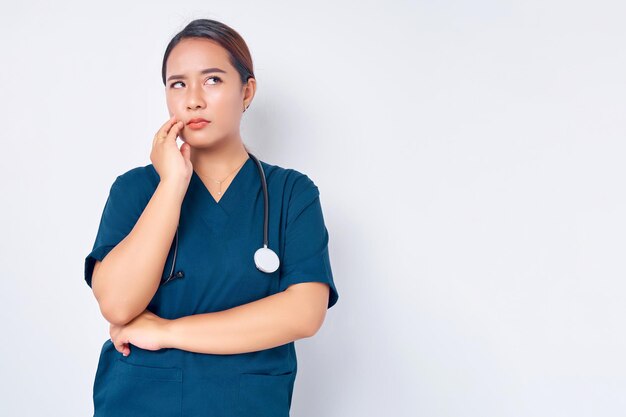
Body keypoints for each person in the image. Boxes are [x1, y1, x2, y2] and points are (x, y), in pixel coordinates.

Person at [83, 18, 339, 417]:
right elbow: (117, 305)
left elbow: (304, 314)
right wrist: (171, 185)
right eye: (178, 83)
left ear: (247, 90)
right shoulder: (134, 190)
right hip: (139, 402)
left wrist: (166, 331)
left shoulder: (292, 194)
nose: (193, 100)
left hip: (245, 404)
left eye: (213, 80)